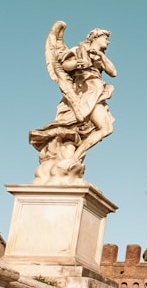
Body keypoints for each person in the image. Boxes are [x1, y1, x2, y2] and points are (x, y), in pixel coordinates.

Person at [30, 22, 116, 183]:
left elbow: (113, 72)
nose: (108, 41)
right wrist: (76, 64)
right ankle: (71, 158)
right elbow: (64, 65)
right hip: (84, 91)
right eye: (105, 38)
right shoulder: (78, 49)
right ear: (95, 37)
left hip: (98, 91)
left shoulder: (99, 56)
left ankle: (74, 159)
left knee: (106, 128)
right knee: (89, 126)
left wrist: (101, 56)